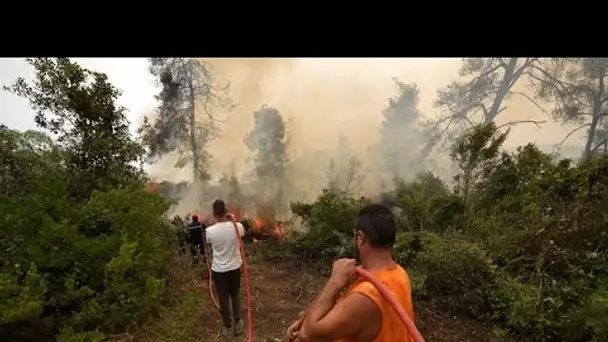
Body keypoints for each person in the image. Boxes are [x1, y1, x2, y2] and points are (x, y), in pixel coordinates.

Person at [285, 204, 415, 342]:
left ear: (360, 238)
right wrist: (305, 319)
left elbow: (307, 334)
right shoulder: (399, 274)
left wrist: (334, 283)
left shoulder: (368, 296)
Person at [205, 199, 246, 340]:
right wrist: (230, 220)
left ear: (214, 213)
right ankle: (238, 323)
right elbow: (242, 235)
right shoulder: (238, 227)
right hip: (235, 268)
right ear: (226, 211)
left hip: (219, 271)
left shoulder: (209, 231)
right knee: (235, 295)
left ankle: (228, 328)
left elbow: (209, 245)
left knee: (223, 299)